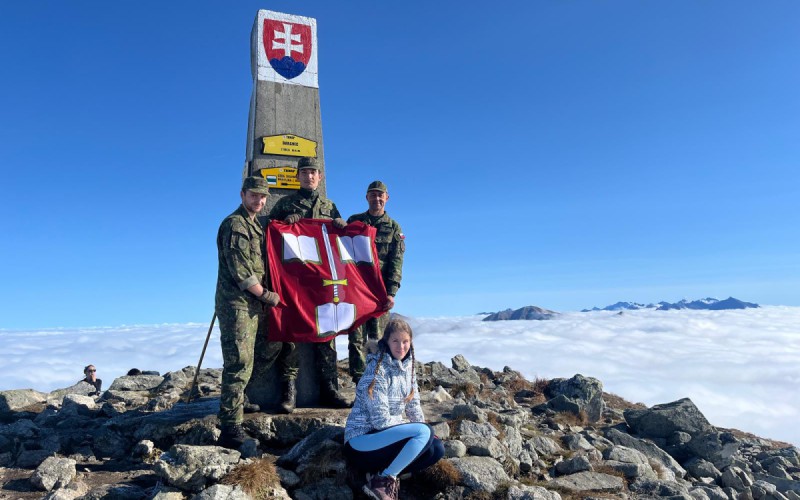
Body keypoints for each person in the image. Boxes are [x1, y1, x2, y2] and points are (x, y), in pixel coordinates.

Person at [267, 156, 350, 409]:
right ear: (298, 176)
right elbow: (270, 234)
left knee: (327, 334)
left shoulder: (330, 206)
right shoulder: (285, 203)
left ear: (320, 177)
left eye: (313, 172)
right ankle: (288, 391)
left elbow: (339, 245)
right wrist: (284, 223)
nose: (309, 176)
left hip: (323, 282)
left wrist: (342, 226)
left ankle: (330, 389)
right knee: (291, 334)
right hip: (295, 282)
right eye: (304, 172)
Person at [344, 319, 444, 500]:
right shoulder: (376, 371)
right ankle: (383, 480)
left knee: (435, 448)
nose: (401, 346)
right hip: (361, 442)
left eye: (405, 341)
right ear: (387, 342)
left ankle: (379, 474)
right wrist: (417, 430)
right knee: (423, 432)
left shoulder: (408, 368)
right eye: (395, 341)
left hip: (385, 438)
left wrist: (425, 433)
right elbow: (380, 421)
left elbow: (413, 405)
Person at [216, 176, 280, 448]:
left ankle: (240, 399)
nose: (259, 200)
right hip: (238, 306)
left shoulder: (255, 226)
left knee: (272, 345)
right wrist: (266, 295)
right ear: (242, 195)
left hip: (254, 305)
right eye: (254, 195)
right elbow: (241, 271)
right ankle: (230, 428)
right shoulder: (235, 225)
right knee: (238, 363)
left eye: (263, 196)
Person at [346, 180, 405, 383]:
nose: (377, 198)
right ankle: (359, 384)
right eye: (373, 194)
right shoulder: (354, 222)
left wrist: (391, 293)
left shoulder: (394, 228)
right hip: (356, 291)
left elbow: (396, 263)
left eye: (380, 195)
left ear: (387, 198)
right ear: (366, 198)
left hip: (379, 293)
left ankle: (378, 383)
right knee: (356, 339)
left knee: (379, 338)